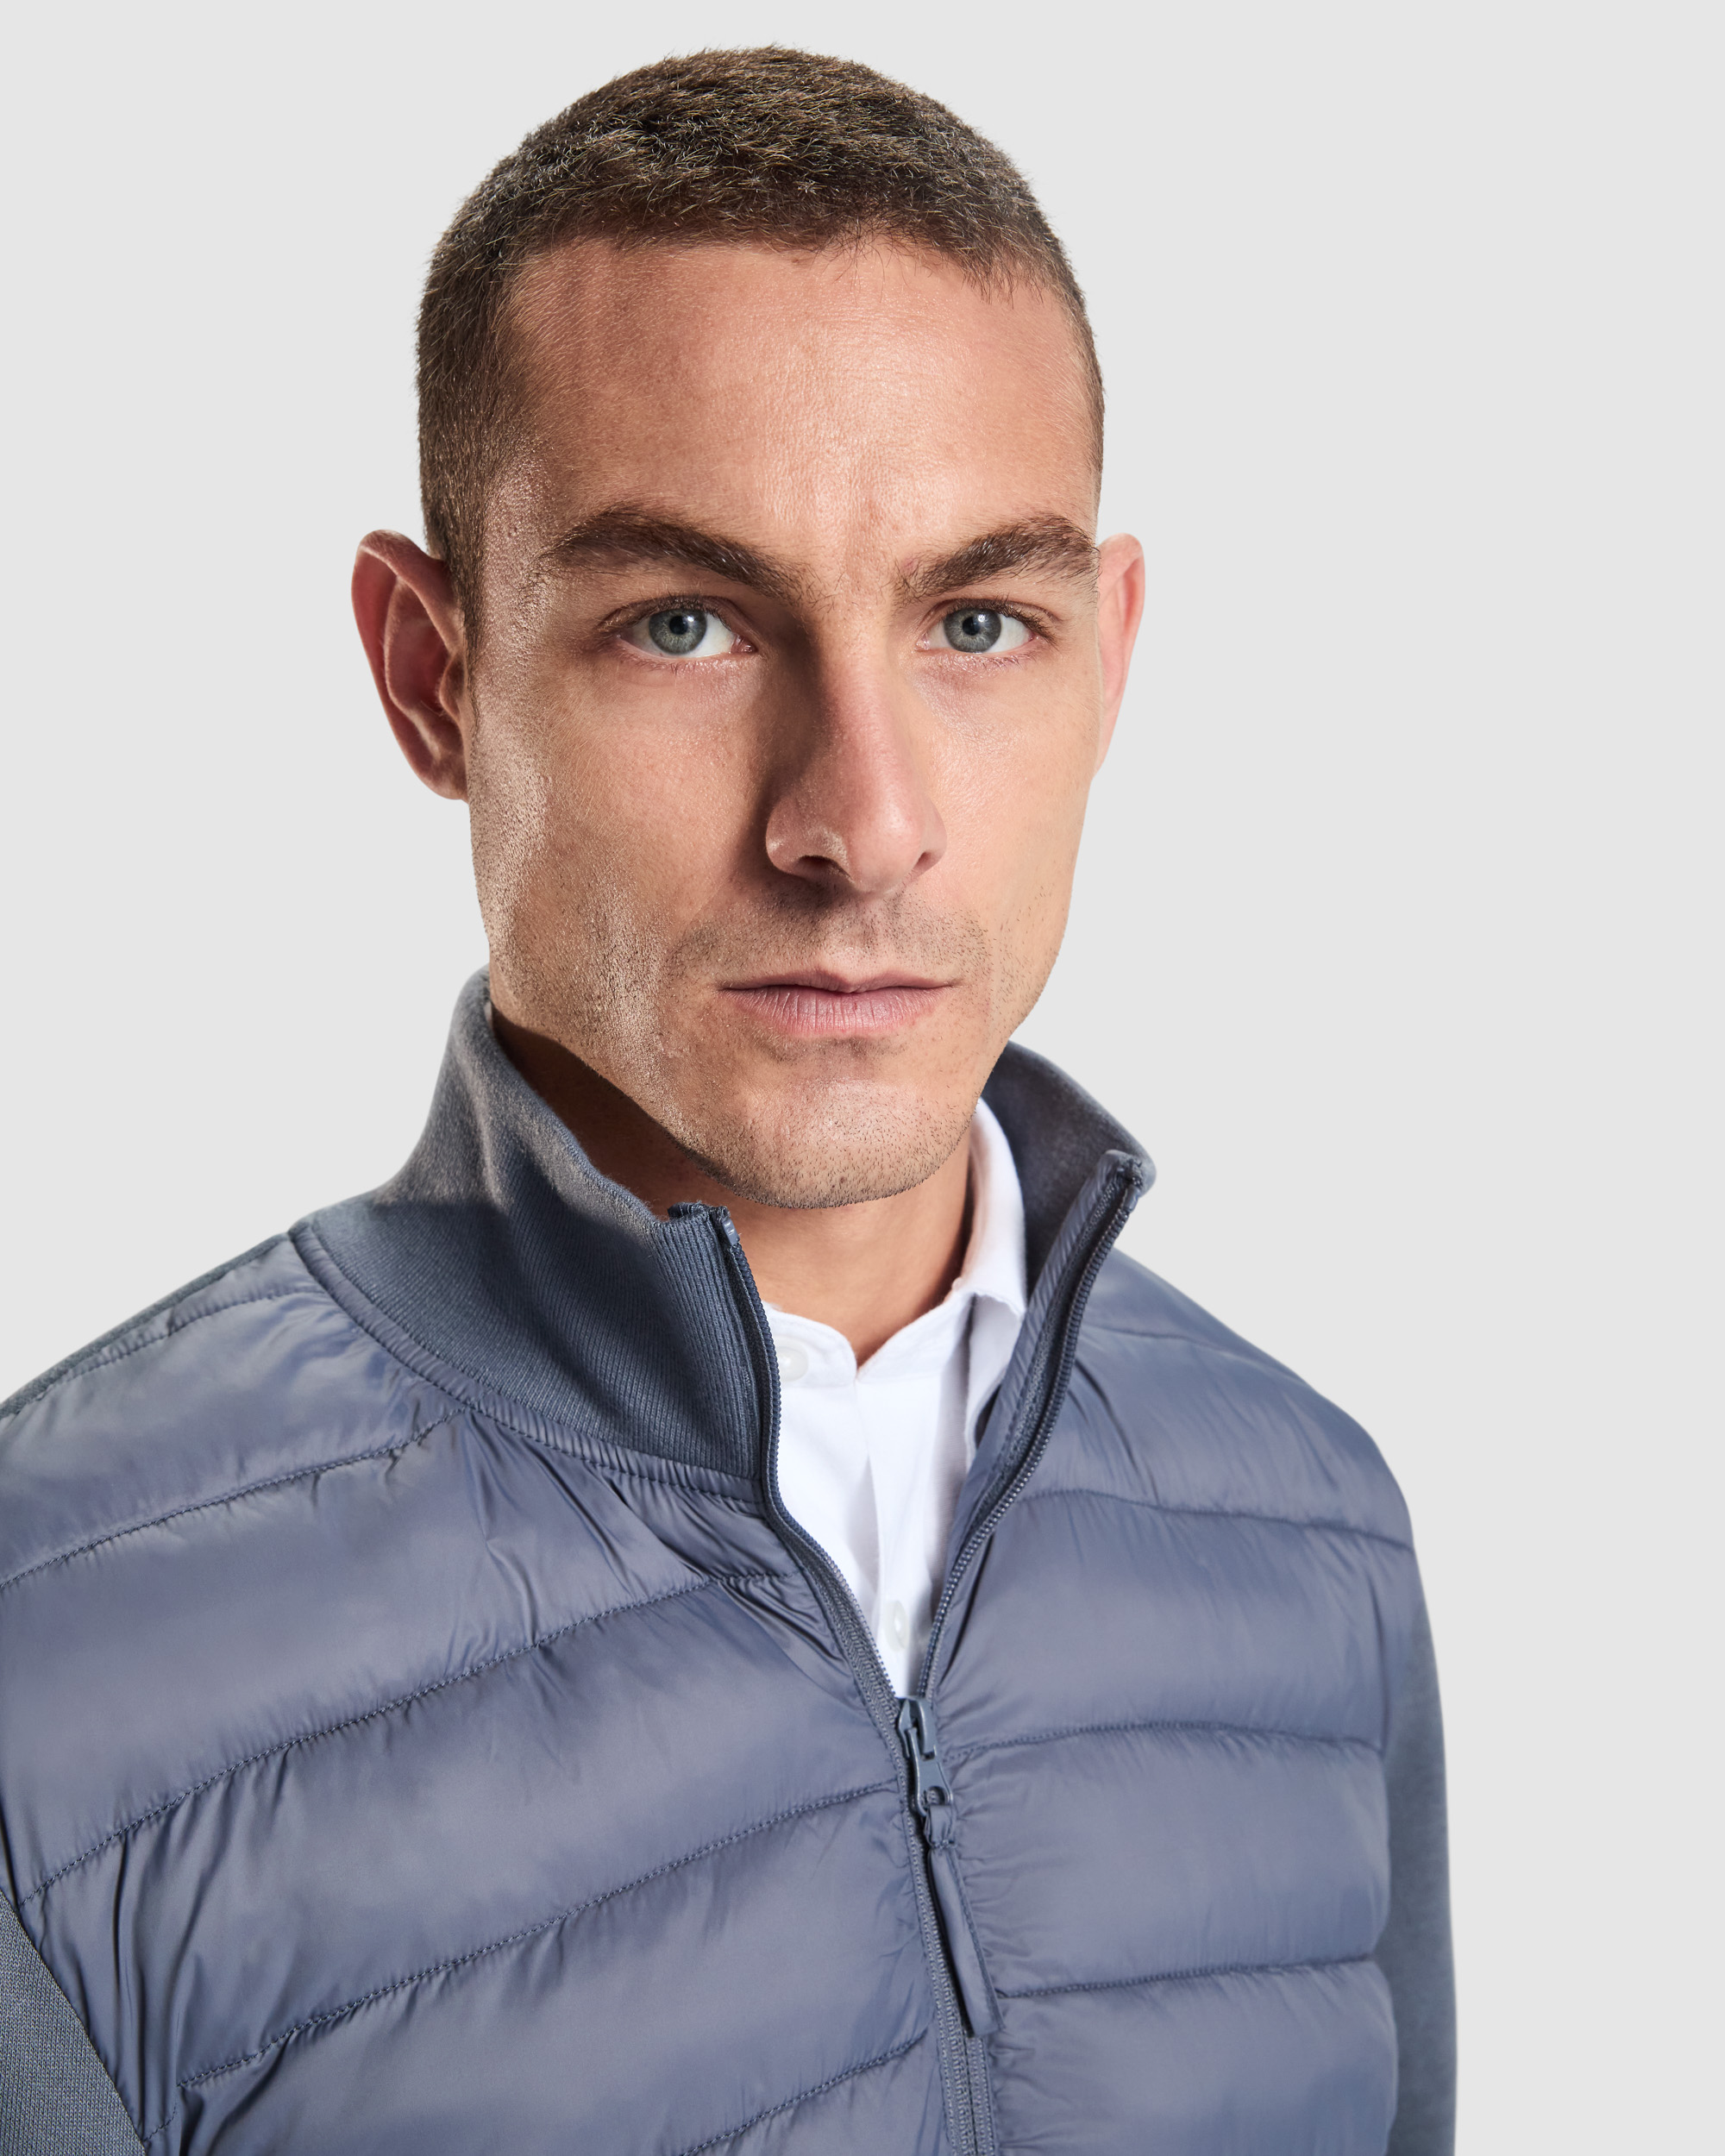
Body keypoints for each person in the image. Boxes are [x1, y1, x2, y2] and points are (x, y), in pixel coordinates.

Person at [0, 48, 1453, 2156]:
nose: (859, 819)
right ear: (431, 674)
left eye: (979, 620)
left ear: (1109, 654)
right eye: (683, 623)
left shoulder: (1310, 1526)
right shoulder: (49, 1643)